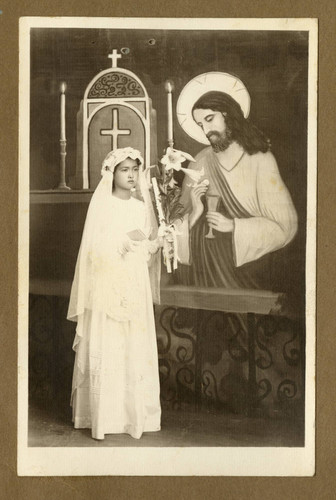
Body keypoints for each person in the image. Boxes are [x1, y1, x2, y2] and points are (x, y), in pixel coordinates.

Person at [67, 147, 162, 440]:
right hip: (108, 281)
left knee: (133, 343)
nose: (132, 175)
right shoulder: (103, 205)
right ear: (112, 173)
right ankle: (104, 416)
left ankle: (134, 416)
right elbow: (92, 251)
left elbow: (146, 246)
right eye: (125, 169)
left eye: (135, 169)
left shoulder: (140, 206)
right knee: (110, 342)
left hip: (134, 279)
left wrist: (155, 243)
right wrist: (119, 244)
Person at [176, 73, 298, 290]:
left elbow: (285, 227)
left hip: (249, 268)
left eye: (209, 119)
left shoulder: (260, 159)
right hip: (201, 271)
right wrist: (195, 213)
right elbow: (174, 224)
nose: (206, 131)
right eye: (199, 124)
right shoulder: (200, 162)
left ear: (228, 115)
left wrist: (233, 226)